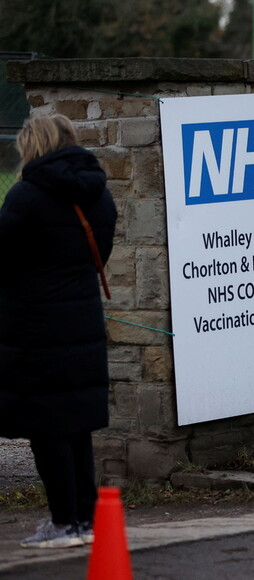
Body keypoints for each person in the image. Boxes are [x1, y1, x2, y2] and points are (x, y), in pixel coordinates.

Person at [0, 113, 117, 548]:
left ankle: (62, 522)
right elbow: (98, 255)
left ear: (34, 146)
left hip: (34, 328)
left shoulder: (26, 197)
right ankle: (85, 522)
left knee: (46, 426)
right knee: (77, 424)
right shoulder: (100, 196)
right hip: (83, 322)